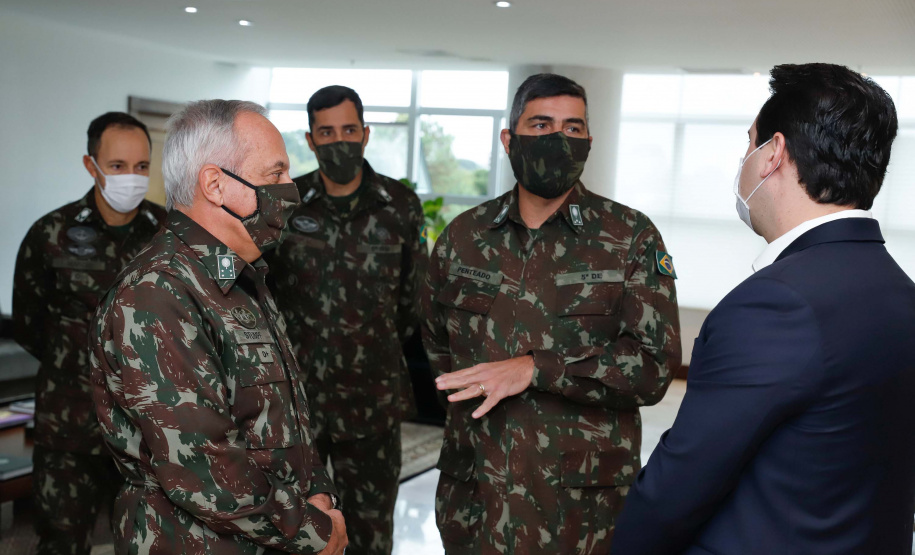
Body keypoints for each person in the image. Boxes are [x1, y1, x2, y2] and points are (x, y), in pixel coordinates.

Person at [612, 64, 915, 555]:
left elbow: (679, 486)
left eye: (748, 145)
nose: (743, 162)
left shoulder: (773, 304)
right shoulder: (899, 291)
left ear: (773, 153)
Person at [422, 73, 681, 554]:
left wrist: (536, 368)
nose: (559, 139)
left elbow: (653, 369)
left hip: (582, 509)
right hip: (477, 495)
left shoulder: (629, 237)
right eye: (541, 125)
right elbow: (440, 354)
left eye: (573, 128)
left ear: (587, 141)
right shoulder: (462, 238)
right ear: (509, 138)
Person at [89, 100, 347, 554]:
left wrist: (318, 493)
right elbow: (199, 464)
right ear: (215, 184)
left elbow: (284, 416)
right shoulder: (158, 292)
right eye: (275, 174)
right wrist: (311, 530)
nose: (293, 190)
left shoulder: (239, 276)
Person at [264, 85, 425, 555]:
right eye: (327, 132)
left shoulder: (399, 206)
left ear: (366, 134)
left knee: (371, 532)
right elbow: (265, 292)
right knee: (293, 528)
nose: (339, 142)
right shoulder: (286, 204)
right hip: (296, 402)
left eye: (349, 130)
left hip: (372, 400)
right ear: (310, 140)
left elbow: (412, 302)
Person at [12, 111, 165, 555]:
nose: (131, 178)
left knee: (149, 544)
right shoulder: (51, 233)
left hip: (147, 432)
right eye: (118, 166)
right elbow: (29, 324)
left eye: (141, 167)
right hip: (69, 430)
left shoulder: (169, 236)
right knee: (61, 541)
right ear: (91, 165)